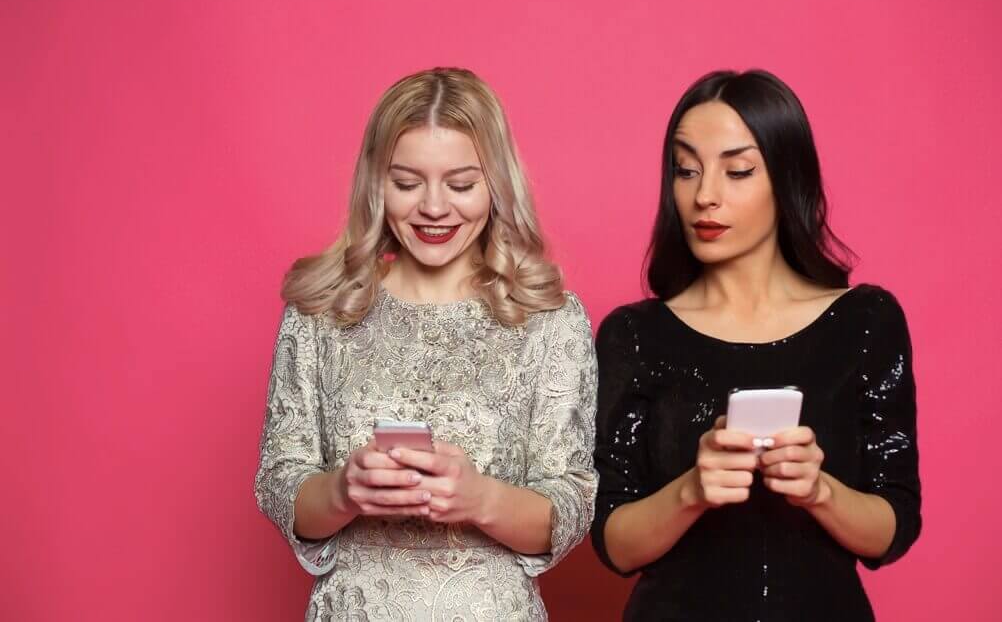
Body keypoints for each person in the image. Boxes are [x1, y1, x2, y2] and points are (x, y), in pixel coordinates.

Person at [254, 67, 597, 621]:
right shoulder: (321, 312)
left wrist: (480, 498)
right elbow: (278, 483)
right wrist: (344, 491)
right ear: (375, 182)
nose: (434, 208)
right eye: (407, 183)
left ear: (496, 183)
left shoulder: (547, 321)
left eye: (461, 184)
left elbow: (572, 504)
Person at [591, 70, 921, 621]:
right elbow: (612, 542)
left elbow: (894, 526)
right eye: (686, 170)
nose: (704, 196)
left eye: (737, 170)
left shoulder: (865, 321)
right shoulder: (635, 334)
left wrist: (819, 492)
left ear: (787, 178)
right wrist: (692, 490)